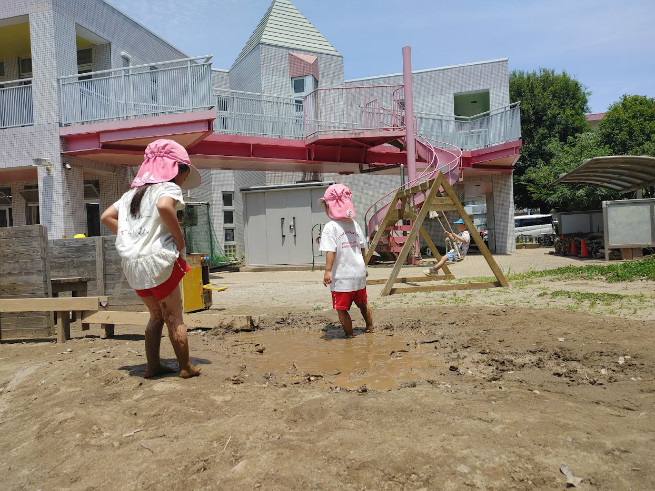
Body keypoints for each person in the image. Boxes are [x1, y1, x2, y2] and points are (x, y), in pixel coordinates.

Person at [101, 139, 202, 379]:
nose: (184, 180)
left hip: (133, 265)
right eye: (184, 174)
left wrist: (133, 239)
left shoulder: (131, 195)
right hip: (158, 262)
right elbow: (165, 207)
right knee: (174, 317)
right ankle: (185, 366)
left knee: (156, 316)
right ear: (177, 169)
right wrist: (180, 240)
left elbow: (106, 217)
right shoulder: (168, 189)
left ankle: (153, 366)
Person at [318, 184, 374, 338]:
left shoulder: (331, 227)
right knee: (363, 304)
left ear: (329, 206)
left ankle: (349, 336)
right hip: (358, 273)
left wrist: (328, 271)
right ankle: (370, 327)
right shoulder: (354, 224)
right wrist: (364, 266)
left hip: (342, 277)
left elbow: (331, 251)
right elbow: (361, 247)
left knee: (342, 309)